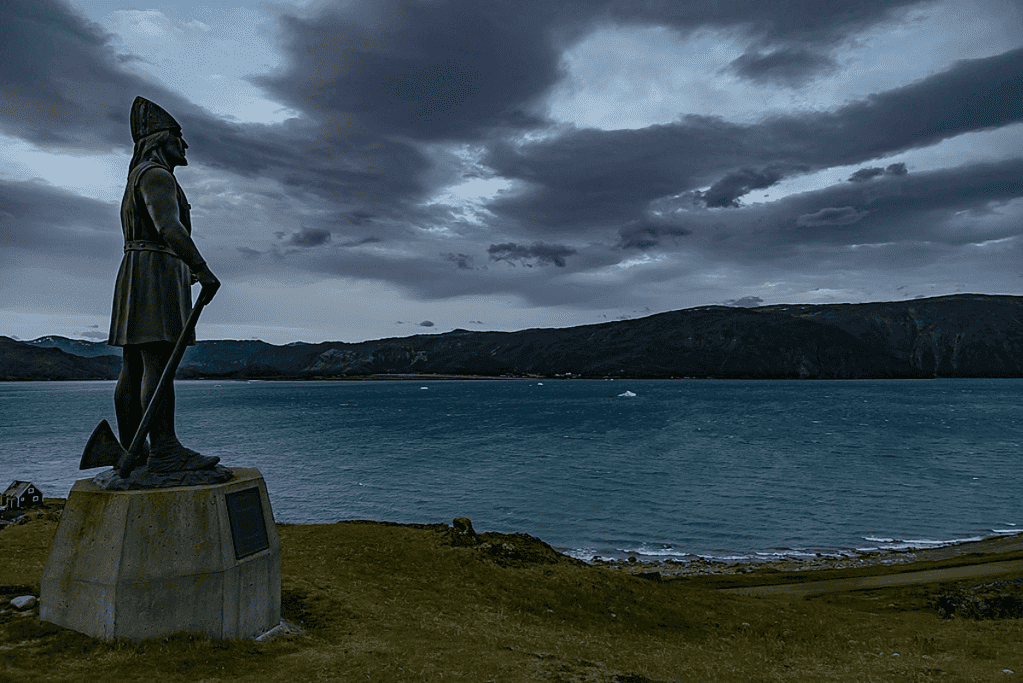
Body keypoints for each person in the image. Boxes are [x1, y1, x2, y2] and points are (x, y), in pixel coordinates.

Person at [107, 96, 221, 473]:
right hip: (154, 272)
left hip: (141, 269)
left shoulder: (137, 177)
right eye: (178, 137)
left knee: (134, 364)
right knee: (155, 360)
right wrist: (201, 268)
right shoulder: (157, 176)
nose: (184, 145)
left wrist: (183, 271)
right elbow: (168, 227)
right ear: (159, 140)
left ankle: (133, 450)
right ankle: (165, 449)